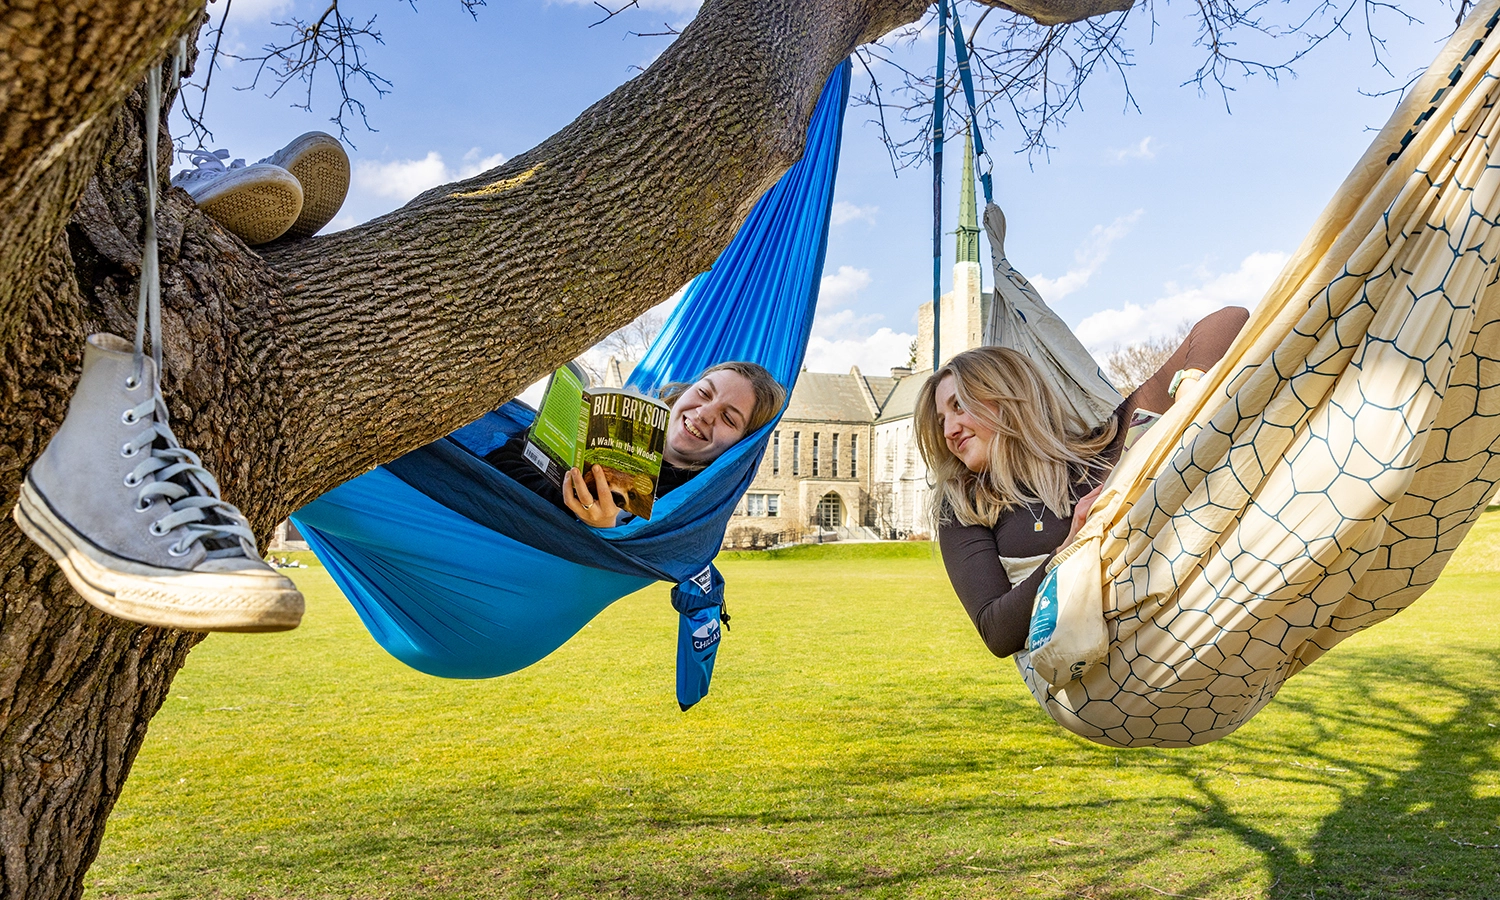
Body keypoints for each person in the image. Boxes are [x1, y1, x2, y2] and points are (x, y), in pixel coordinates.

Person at [914, 307, 1248, 658]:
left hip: (1182, 642)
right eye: (941, 420)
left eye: (960, 406)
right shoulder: (966, 505)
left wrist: (1187, 407)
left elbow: (1228, 320)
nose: (949, 431)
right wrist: (1068, 550)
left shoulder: (1101, 450)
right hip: (1087, 686)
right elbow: (996, 632)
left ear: (1008, 398)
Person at [486, 361, 786, 528]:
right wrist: (566, 498)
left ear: (738, 446)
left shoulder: (687, 506)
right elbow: (500, 460)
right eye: (705, 393)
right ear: (684, 392)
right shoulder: (602, 420)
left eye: (729, 419)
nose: (704, 414)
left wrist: (603, 527)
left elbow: (623, 560)